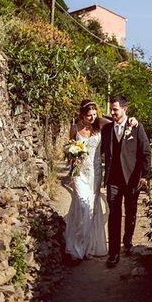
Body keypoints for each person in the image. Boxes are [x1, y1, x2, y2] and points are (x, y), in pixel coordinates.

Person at [101, 95, 151, 268]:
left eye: (115, 109)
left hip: (132, 179)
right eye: (111, 109)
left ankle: (127, 241)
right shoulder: (106, 129)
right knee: (114, 214)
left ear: (124, 109)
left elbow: (146, 152)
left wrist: (144, 176)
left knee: (130, 212)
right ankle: (113, 253)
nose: (112, 112)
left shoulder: (136, 127)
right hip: (113, 179)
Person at [64, 100, 109, 261]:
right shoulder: (74, 129)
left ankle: (88, 246)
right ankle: (76, 247)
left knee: (92, 208)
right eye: (89, 115)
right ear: (82, 115)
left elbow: (117, 123)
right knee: (83, 205)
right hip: (79, 174)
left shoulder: (100, 125)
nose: (92, 118)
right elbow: (68, 149)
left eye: (95, 114)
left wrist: (133, 120)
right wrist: (72, 158)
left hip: (95, 174)